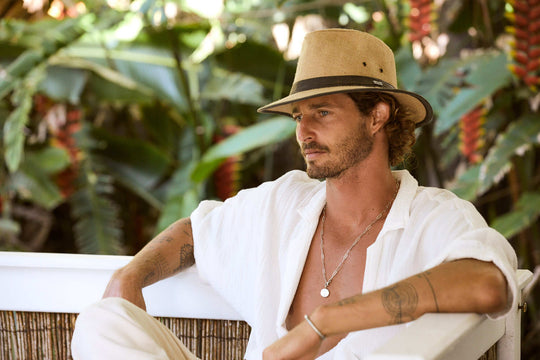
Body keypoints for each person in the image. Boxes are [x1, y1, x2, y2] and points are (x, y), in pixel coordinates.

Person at [71, 29, 518, 360]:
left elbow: (490, 283)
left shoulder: (432, 217)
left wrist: (327, 323)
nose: (304, 131)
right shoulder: (283, 203)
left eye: (322, 112)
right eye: (298, 117)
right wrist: (129, 278)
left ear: (377, 116)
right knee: (102, 320)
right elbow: (194, 232)